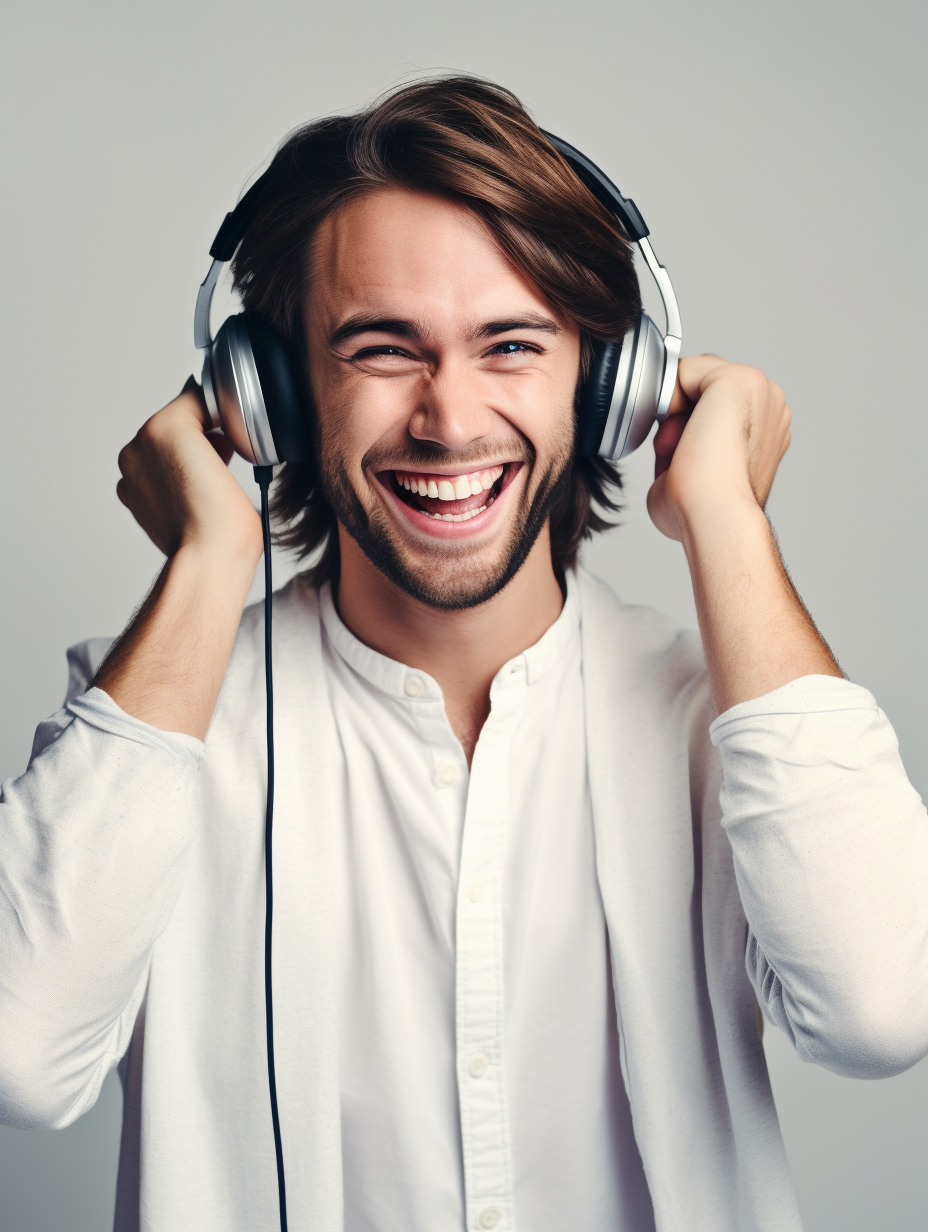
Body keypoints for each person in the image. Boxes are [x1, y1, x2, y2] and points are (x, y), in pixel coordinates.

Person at [1, 76, 927, 1232]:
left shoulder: (722, 717)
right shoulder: (154, 728)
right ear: (274, 393)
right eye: (383, 349)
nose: (449, 417)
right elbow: (20, 1059)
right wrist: (206, 557)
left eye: (511, 345)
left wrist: (730, 517)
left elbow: (880, 1009)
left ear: (605, 382)